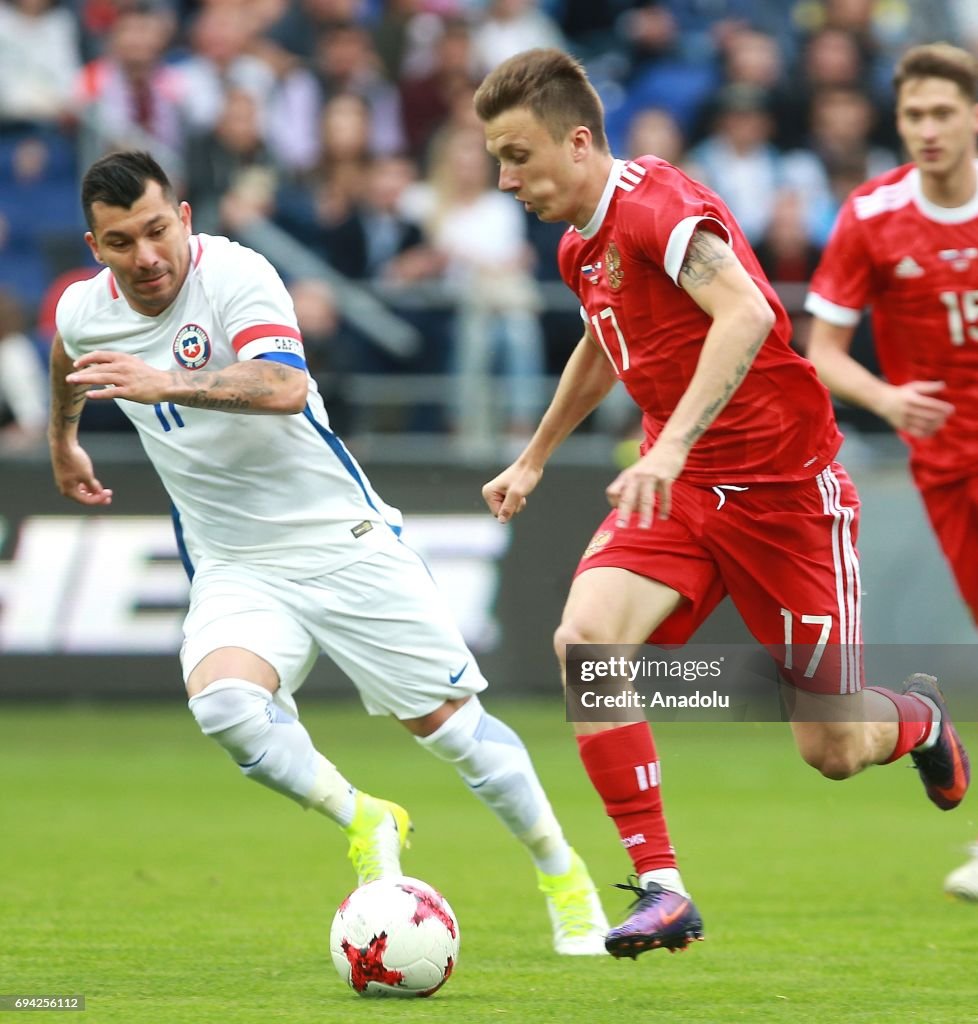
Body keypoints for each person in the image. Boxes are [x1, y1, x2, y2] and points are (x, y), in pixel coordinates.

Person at [472, 47, 972, 958]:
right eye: (498, 161)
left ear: (578, 142)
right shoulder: (580, 242)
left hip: (789, 497)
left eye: (518, 155)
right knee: (588, 645)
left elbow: (748, 314)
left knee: (833, 748)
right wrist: (536, 456)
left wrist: (663, 443)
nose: (507, 180)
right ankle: (662, 887)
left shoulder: (659, 207)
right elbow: (603, 337)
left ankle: (920, 719)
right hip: (687, 492)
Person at [46, 149, 609, 956]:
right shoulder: (83, 309)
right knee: (226, 707)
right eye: (121, 242)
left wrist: (161, 381)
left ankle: (565, 877)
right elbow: (70, 357)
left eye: (157, 230)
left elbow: (282, 388)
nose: (146, 257)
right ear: (94, 247)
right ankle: (364, 817)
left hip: (339, 541)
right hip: (234, 560)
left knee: (450, 729)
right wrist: (66, 443)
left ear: (186, 220)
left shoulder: (238, 275)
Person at [805, 41, 978, 902]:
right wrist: (887, 396)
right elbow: (821, 347)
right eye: (914, 114)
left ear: (974, 115)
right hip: (948, 465)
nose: (928, 129)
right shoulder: (874, 216)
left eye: (944, 111)